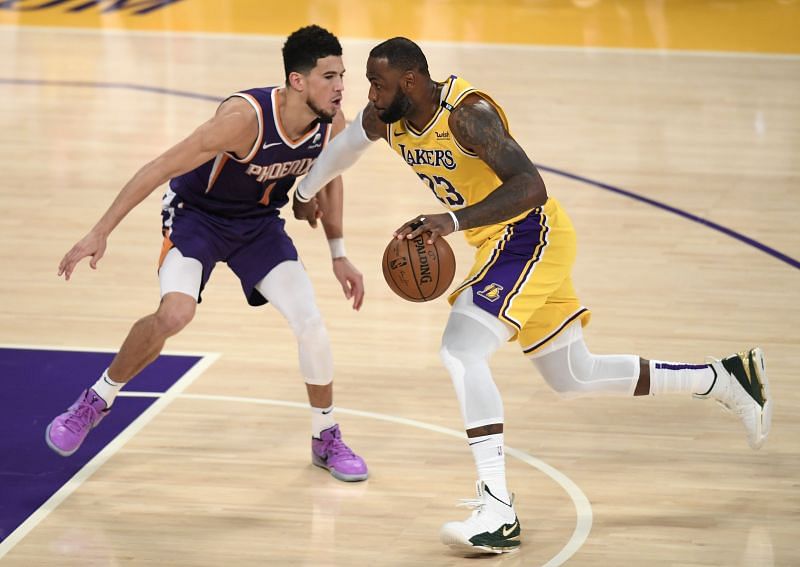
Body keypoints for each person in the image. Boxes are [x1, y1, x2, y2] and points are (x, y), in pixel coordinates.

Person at [291, 37, 772, 552]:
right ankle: (725, 379)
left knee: (460, 349)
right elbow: (346, 148)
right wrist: (304, 190)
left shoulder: (467, 116)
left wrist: (450, 221)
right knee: (574, 375)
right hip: (500, 244)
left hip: (529, 235)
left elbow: (531, 185)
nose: (371, 93)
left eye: (379, 83)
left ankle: (497, 508)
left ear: (411, 82)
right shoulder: (388, 117)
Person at [46, 25, 369, 483]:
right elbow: (160, 166)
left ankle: (325, 435)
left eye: (342, 76)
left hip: (257, 226)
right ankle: (97, 399)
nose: (340, 87)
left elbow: (332, 175)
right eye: (329, 77)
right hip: (197, 217)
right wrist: (100, 231)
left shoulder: (331, 123)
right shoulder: (244, 119)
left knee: (311, 323)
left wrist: (338, 253)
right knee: (175, 314)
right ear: (298, 81)